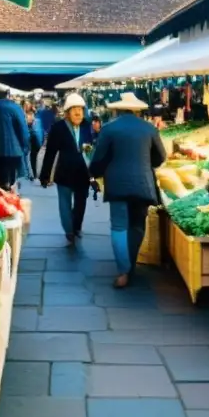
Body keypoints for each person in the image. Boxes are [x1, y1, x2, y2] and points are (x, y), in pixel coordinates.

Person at [89, 92, 167, 289]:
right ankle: (131, 263)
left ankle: (123, 271)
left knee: (118, 226)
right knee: (137, 225)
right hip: (142, 184)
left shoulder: (109, 129)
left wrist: (95, 173)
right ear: (138, 111)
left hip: (117, 184)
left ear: (117, 109)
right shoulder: (149, 129)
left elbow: (98, 158)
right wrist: (145, 163)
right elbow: (161, 157)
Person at [40, 93, 94, 244]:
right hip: (64, 172)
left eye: (81, 109)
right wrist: (44, 175)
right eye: (74, 109)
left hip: (83, 173)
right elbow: (50, 152)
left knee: (81, 203)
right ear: (67, 113)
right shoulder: (58, 128)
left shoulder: (86, 127)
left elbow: (91, 150)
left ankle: (77, 227)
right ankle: (69, 231)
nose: (78, 113)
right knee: (64, 203)